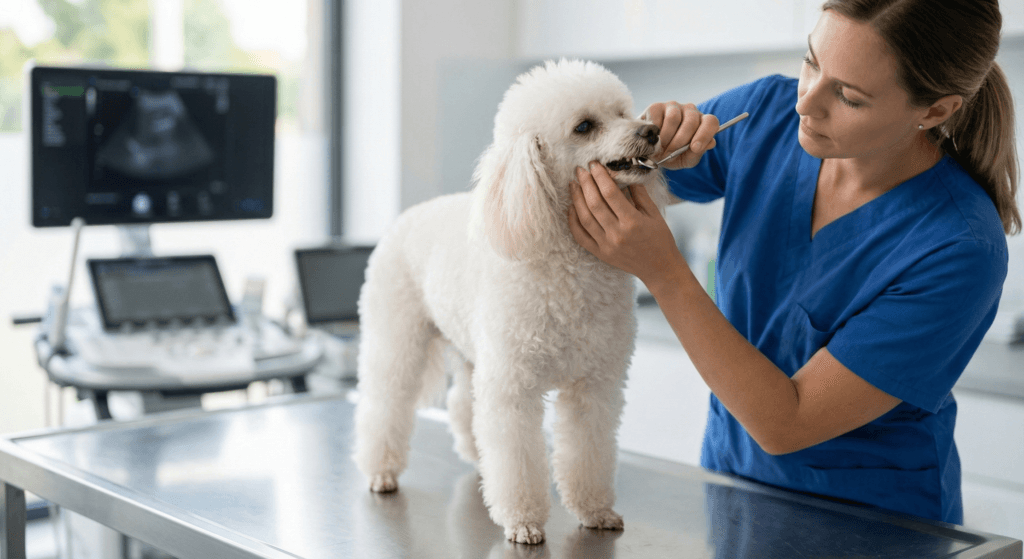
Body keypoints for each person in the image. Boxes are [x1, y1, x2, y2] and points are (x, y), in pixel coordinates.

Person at [567, 0, 1019, 525]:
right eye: (811, 62)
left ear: (935, 111)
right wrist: (647, 146)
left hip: (875, 528)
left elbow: (788, 422)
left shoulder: (958, 247)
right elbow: (595, 188)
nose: (807, 102)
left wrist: (665, 273)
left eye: (848, 96)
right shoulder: (765, 116)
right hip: (731, 492)